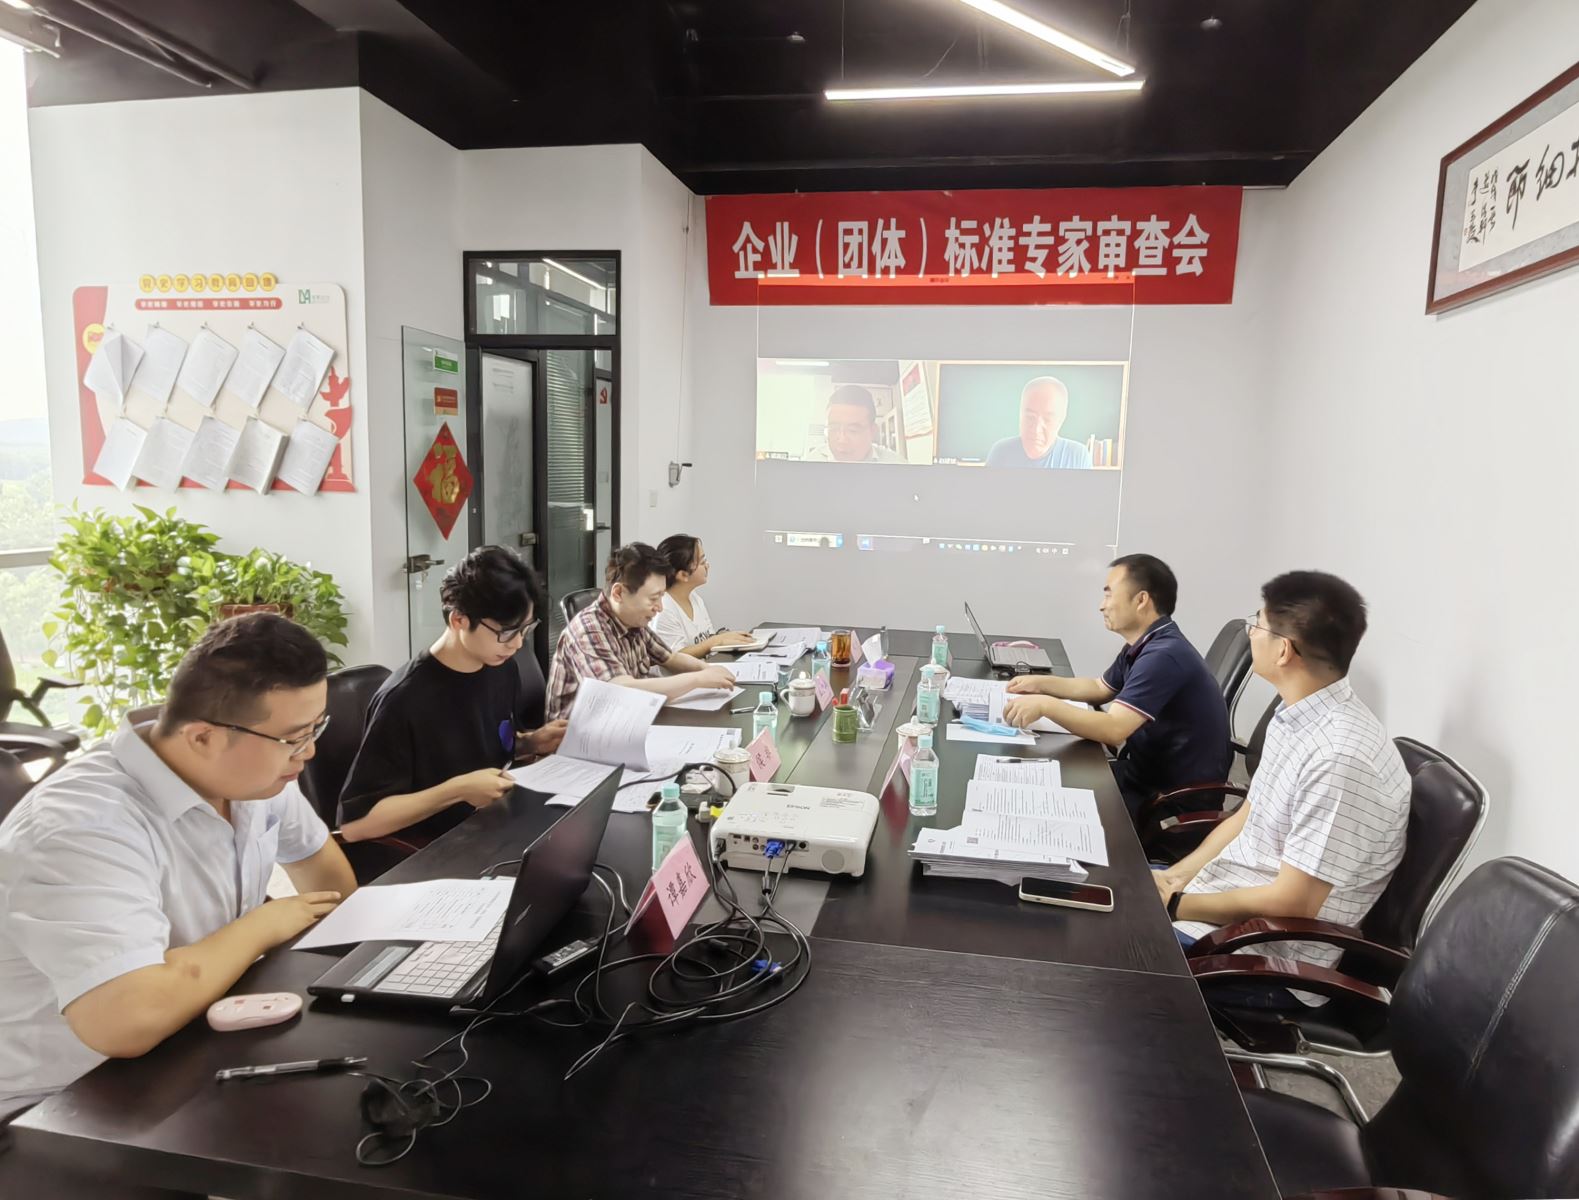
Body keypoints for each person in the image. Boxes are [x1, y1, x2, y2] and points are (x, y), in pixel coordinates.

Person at [0, 614, 355, 1123]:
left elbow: (332, 888)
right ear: (202, 737)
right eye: (294, 738)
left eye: (314, 728)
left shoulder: (255, 776)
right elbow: (126, 1020)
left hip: (187, 1039)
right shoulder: (79, 826)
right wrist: (262, 925)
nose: (310, 751)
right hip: (56, 1104)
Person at [1155, 571, 1410, 1007]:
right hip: (1219, 900)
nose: (1250, 633)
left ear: (1284, 649)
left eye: (1257, 623)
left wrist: (1176, 905)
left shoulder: (1339, 759)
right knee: (1094, 890)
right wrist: (1174, 878)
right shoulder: (1296, 715)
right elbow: (1248, 815)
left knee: (1098, 947)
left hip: (1263, 955)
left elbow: (1293, 903)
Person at [338, 547, 567, 846]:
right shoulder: (404, 699)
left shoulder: (501, 668)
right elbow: (356, 825)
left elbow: (480, 747)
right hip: (439, 847)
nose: (517, 644)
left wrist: (531, 742)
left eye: (525, 629)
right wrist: (457, 791)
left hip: (496, 825)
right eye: (507, 632)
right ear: (459, 619)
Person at [1003, 554, 1229, 820]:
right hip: (1142, 775)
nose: (1102, 606)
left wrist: (1045, 705)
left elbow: (1113, 730)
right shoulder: (1147, 643)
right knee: (1043, 779)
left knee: (1044, 802)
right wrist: (1039, 683)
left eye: (1109, 594)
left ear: (1141, 600)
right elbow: (1099, 688)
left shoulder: (1164, 656)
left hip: (1168, 801)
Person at [546, 542, 737, 720]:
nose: (659, 607)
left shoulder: (633, 621)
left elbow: (670, 658)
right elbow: (621, 691)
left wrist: (707, 670)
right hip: (580, 737)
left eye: (661, 597)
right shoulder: (589, 630)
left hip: (629, 721)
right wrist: (697, 679)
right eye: (653, 598)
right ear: (619, 593)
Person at [652, 534, 755, 657]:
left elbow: (709, 638)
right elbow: (674, 657)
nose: (707, 565)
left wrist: (727, 638)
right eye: (702, 562)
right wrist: (716, 641)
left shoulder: (695, 598)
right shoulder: (664, 608)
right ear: (683, 575)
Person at [984, 376, 1094, 469]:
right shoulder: (1001, 452)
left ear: (1061, 420)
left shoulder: (1077, 457)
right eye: (1030, 417)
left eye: (1047, 419)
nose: (1036, 430)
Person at [803, 385, 902, 463]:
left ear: (873, 432)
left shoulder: (896, 466)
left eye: (852, 431)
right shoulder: (811, 463)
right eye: (833, 428)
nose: (842, 440)